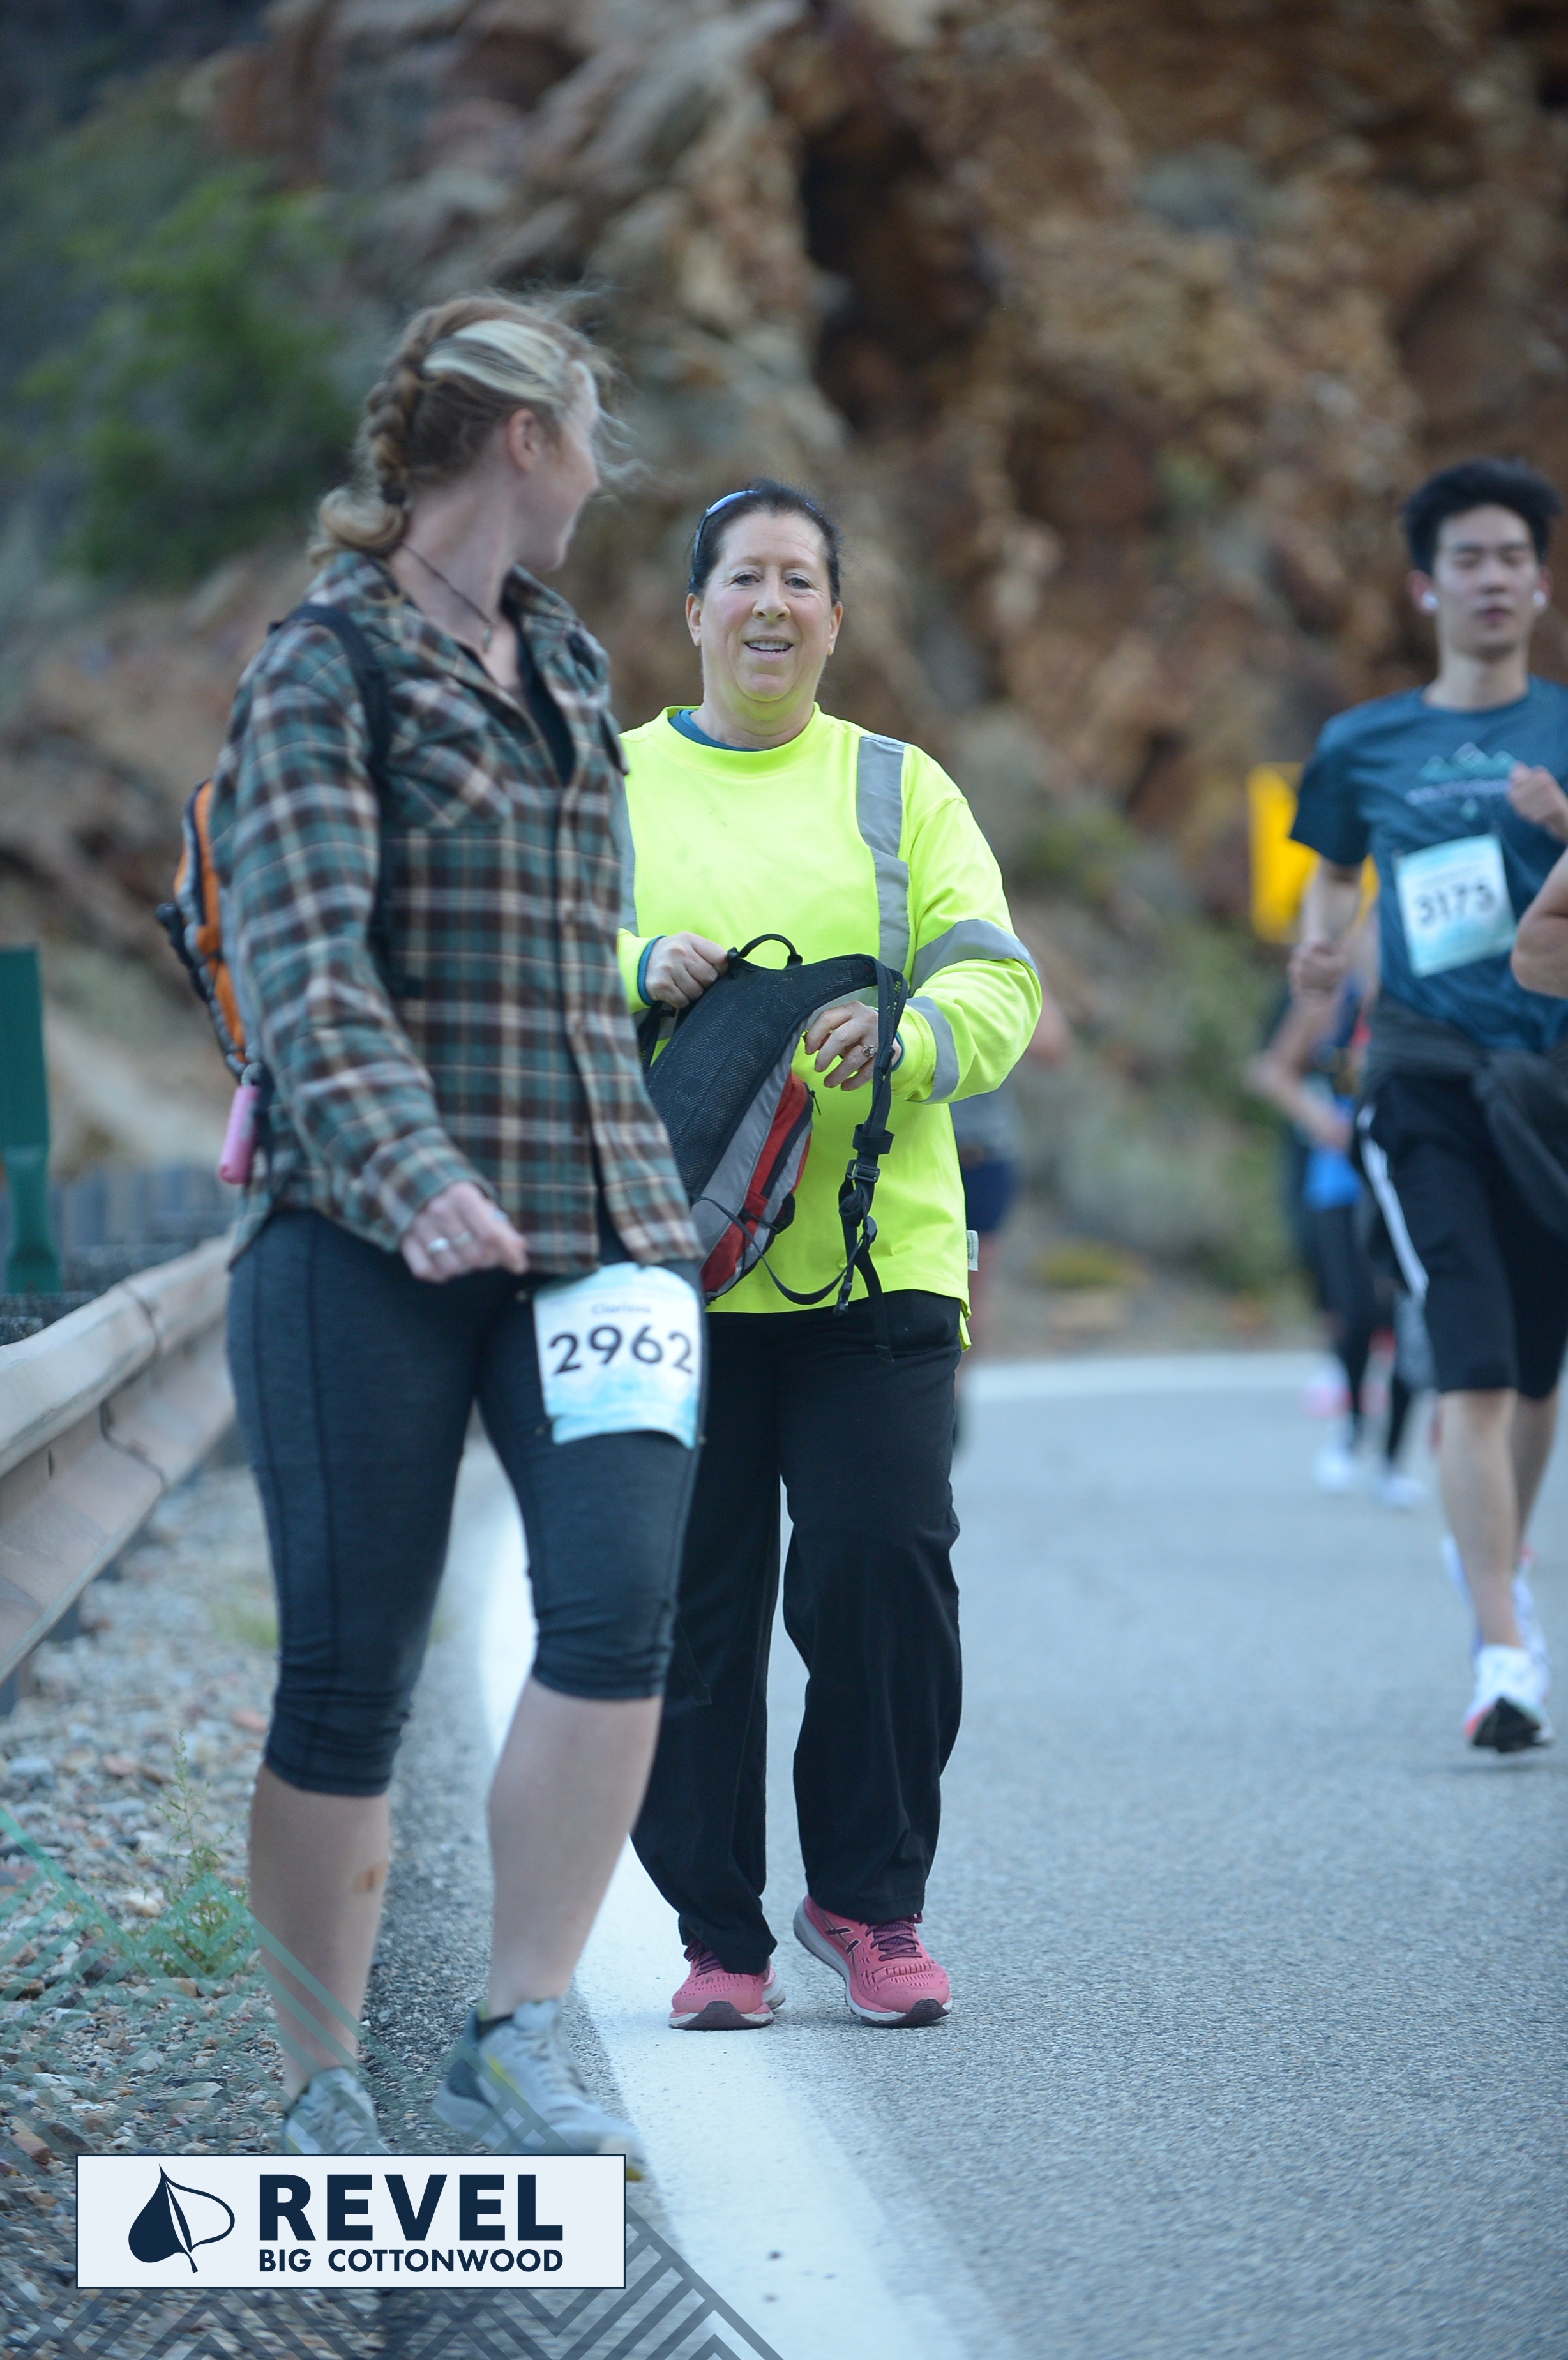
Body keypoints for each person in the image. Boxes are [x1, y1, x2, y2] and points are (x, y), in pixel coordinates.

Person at [211, 294, 703, 2165]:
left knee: (618, 1606)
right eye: (588, 437)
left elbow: (571, 959)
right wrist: (417, 1172)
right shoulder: (322, 666)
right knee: (349, 1665)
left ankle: (514, 2029)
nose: (596, 476)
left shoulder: (564, 658)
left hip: (595, 1224)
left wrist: (653, 1198)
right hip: (362, 1230)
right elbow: (303, 967)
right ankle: (320, 2084)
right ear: (523, 438)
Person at [618, 480, 1041, 2028]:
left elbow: (996, 981)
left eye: (800, 580)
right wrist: (632, 967)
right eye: (744, 578)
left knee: (881, 1572)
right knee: (693, 1608)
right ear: (694, 611)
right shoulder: (610, 784)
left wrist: (910, 1035)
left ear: (836, 619)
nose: (772, 605)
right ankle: (717, 1939)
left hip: (876, 1267)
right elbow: (524, 968)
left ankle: (868, 1905)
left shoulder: (898, 789)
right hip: (669, 1269)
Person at [1289, 456, 1566, 1751]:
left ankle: (1491, 1557)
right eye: (1468, 558)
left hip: (1547, 1085)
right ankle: (1503, 1651)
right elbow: (1331, 874)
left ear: (1541, 582)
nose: (1492, 577)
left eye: (1513, 556)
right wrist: (1318, 943)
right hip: (1419, 1077)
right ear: (1426, 587)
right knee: (1473, 1356)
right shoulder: (1362, 743)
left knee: (1536, 1370)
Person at [1246, 923, 1427, 1506]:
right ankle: (1350, 1432)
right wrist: (1318, 1119)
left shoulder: (1424, 1000)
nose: (1371, 941)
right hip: (1340, 1180)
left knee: (1405, 1316)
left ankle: (1394, 1459)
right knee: (1354, 1311)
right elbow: (1271, 1069)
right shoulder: (1330, 1002)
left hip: (1413, 1178)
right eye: (1364, 930)